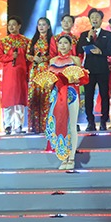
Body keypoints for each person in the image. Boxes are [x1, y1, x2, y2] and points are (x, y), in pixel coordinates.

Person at [46, 35, 88, 170]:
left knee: (71, 126)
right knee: (59, 125)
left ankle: (72, 158)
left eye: (65, 43)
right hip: (57, 95)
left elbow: (82, 77)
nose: (63, 45)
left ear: (71, 46)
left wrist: (77, 80)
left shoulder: (75, 60)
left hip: (71, 94)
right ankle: (63, 156)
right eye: (60, 43)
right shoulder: (52, 60)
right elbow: (50, 79)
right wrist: (47, 84)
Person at [76, 8, 111, 131]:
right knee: (88, 96)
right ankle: (90, 122)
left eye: (97, 17)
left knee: (104, 95)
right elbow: (79, 50)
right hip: (89, 70)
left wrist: (100, 51)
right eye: (92, 17)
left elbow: (109, 51)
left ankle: (103, 121)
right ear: (89, 20)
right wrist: (88, 39)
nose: (94, 19)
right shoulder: (84, 34)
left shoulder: (108, 34)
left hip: (102, 69)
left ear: (101, 19)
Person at [0, 16, 31, 134]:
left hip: (21, 74)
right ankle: (8, 125)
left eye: (14, 24)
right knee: (8, 100)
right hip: (8, 75)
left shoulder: (26, 41)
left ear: (19, 26)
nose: (11, 27)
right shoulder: (3, 42)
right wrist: (11, 57)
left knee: (20, 100)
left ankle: (19, 125)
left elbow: (29, 58)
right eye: (9, 25)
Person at [27, 17, 56, 133]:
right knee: (35, 96)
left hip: (46, 70)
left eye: (44, 24)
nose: (41, 27)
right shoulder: (33, 39)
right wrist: (34, 58)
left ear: (48, 26)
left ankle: (46, 125)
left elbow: (53, 54)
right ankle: (35, 126)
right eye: (39, 24)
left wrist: (43, 59)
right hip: (34, 71)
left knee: (46, 96)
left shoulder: (52, 39)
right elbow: (27, 54)